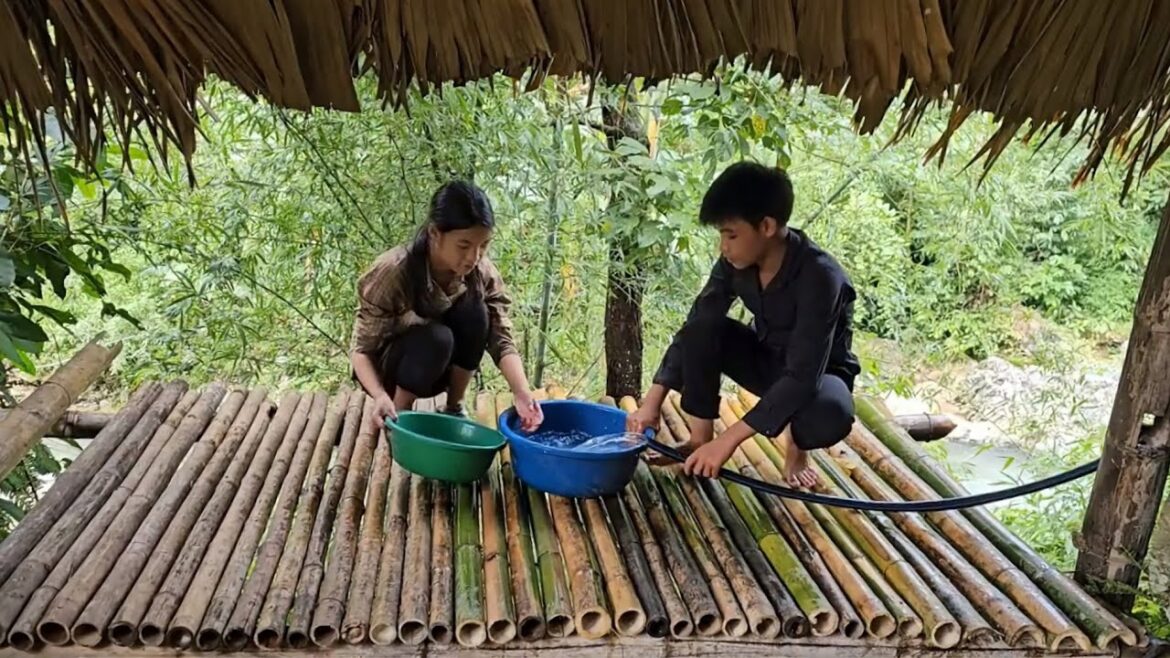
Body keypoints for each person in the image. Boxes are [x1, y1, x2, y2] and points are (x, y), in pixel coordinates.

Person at [627, 162, 860, 488]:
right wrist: (651, 403)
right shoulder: (735, 261)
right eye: (721, 235)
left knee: (828, 415)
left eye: (731, 235)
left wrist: (728, 441)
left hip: (819, 378)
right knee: (702, 328)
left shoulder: (821, 277)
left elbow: (804, 374)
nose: (724, 246)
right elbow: (698, 321)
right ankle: (699, 439)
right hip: (767, 361)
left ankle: (797, 444)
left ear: (766, 226)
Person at [349, 180, 543, 433]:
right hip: (391, 371)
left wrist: (522, 392)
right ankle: (399, 415)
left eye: (483, 246)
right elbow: (361, 351)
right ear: (434, 233)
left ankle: (454, 407)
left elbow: (501, 338)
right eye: (464, 245)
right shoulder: (394, 271)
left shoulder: (480, 272)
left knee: (477, 314)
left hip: (440, 370)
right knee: (437, 338)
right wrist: (379, 395)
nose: (474, 257)